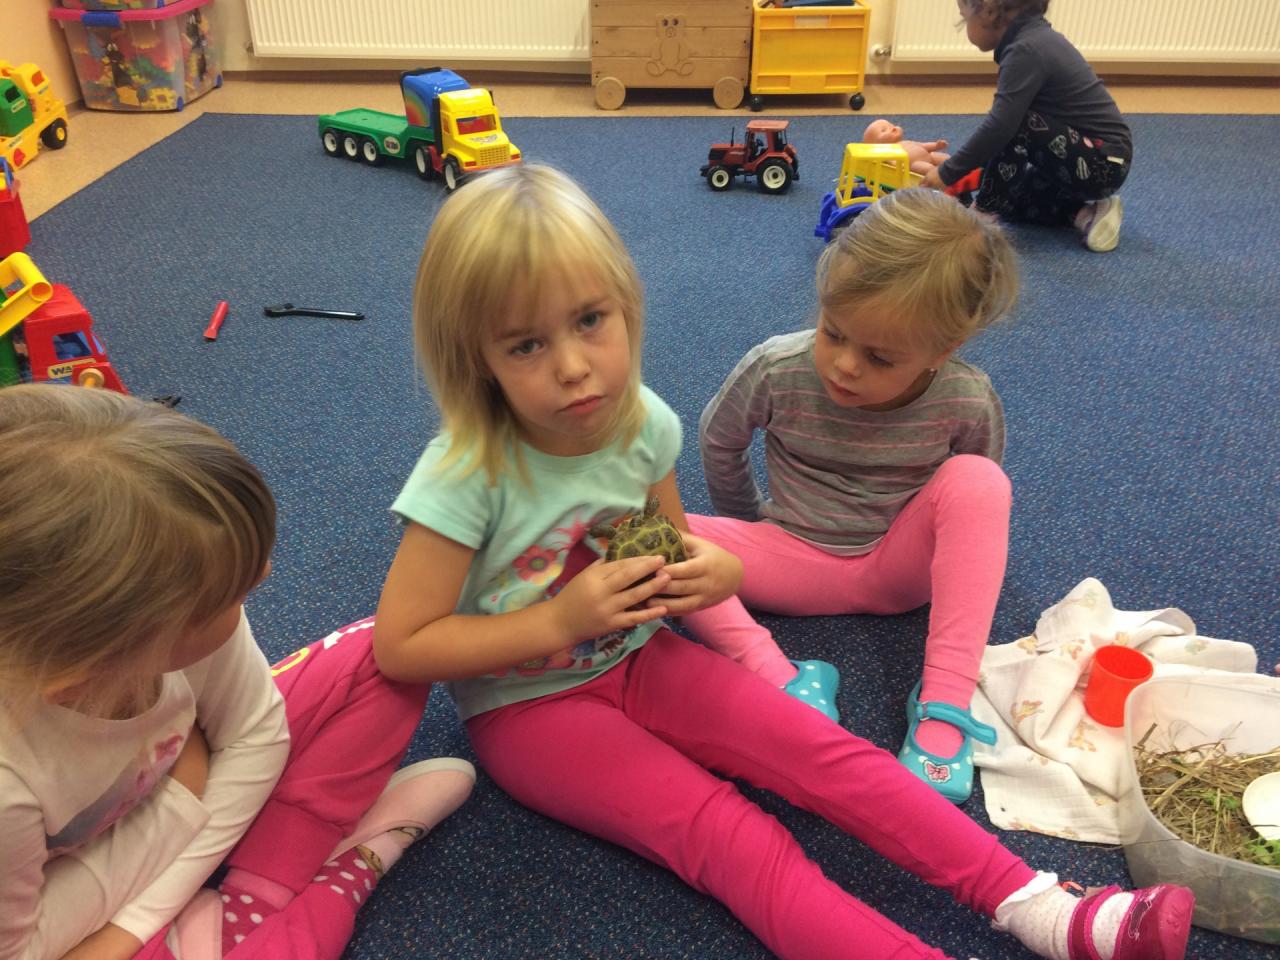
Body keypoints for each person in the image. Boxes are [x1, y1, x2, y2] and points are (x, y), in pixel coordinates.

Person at [374, 163, 1194, 960]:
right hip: (529, 710)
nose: (573, 366)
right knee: (730, 836)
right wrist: (561, 619)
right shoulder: (465, 476)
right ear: (476, 356)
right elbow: (402, 647)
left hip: (640, 657)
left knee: (826, 754)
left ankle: (1046, 910)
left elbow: (670, 556)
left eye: (591, 320)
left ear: (626, 305)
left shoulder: (640, 423)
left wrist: (718, 574)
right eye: (526, 344)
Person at [0, 385, 475, 960]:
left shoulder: (168, 580)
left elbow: (257, 735)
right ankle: (331, 876)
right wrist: (183, 796)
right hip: (67, 891)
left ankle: (254, 897)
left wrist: (183, 814)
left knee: (381, 657)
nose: (266, 573)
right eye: (230, 596)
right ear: (87, 669)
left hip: (139, 857)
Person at [683, 188, 1015, 805]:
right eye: (833, 333)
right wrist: (744, 524)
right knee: (644, 530)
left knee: (980, 482)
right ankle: (778, 676)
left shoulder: (966, 398)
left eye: (880, 357)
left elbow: (972, 507)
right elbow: (719, 439)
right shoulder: (776, 368)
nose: (844, 366)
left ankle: (945, 703)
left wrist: (950, 557)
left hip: (901, 572)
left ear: (943, 351)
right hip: (791, 559)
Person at [920, 0, 1132, 253]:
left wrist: (948, 173)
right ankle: (1087, 215)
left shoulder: (1027, 49)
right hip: (1079, 158)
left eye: (964, 18)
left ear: (988, 11)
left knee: (1016, 124)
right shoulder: (1030, 40)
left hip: (1103, 162)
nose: (965, 26)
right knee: (1010, 196)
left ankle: (982, 218)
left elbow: (1001, 127)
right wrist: (973, 175)